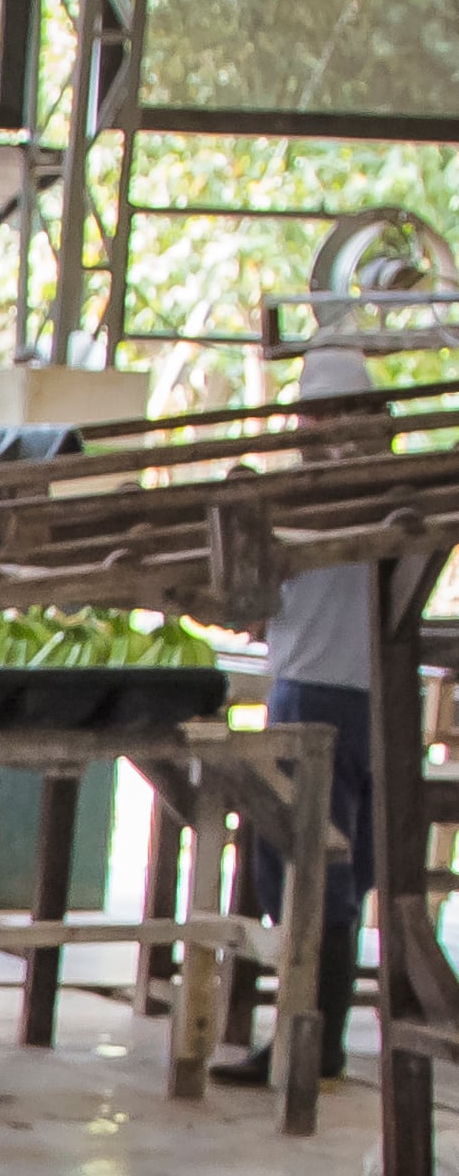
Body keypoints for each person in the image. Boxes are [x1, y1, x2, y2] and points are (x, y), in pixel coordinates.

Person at [219, 345, 439, 1089]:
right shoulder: (401, 496)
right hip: (382, 702)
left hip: (311, 694)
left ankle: (309, 1044)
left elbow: (249, 606)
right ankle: (322, 1038)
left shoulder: (291, 497)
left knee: (308, 873)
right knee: (342, 873)